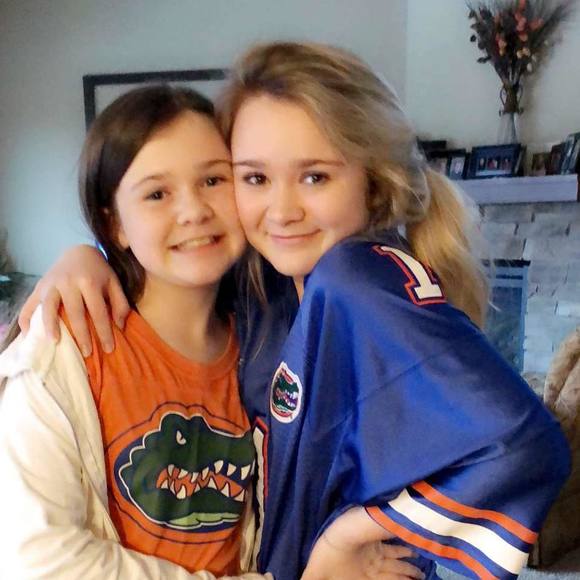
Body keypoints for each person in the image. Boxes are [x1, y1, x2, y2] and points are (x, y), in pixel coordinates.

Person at [19, 42, 570, 580]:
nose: (281, 211)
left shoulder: (357, 281)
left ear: (373, 181)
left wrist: (343, 538)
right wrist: (86, 259)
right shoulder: (271, 283)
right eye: (255, 178)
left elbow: (523, 446)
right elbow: (176, 258)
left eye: (315, 177)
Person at [0, 85, 270, 579]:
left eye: (213, 180)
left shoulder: (265, 346)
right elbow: (37, 562)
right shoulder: (66, 348)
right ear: (115, 225)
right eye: (156, 194)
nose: (193, 210)